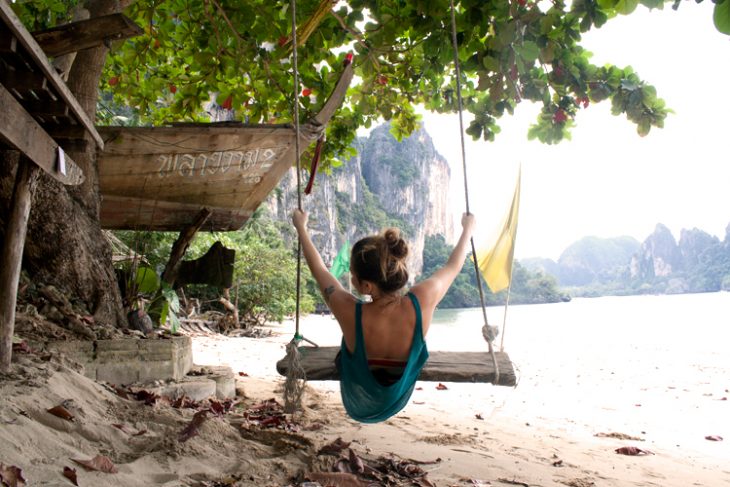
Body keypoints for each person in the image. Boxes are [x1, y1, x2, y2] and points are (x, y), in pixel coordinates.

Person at [292, 209, 476, 423]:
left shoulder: (351, 312)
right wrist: (468, 229)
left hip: (361, 399)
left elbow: (319, 271)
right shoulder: (422, 300)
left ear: (367, 286)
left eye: (352, 275)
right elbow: (452, 267)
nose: (350, 280)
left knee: (347, 353)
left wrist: (301, 228)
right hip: (397, 395)